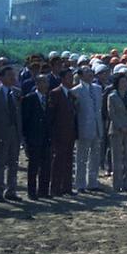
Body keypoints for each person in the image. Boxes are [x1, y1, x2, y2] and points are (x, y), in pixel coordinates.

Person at [0, 66, 22, 202]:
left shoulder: (17, 93)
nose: (13, 78)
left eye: (13, 75)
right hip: (0, 133)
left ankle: (11, 191)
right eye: (9, 75)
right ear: (1, 78)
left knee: (13, 163)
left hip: (15, 132)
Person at [72, 66, 104, 193]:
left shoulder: (98, 89)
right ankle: (80, 184)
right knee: (81, 157)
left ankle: (93, 182)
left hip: (97, 127)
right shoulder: (75, 91)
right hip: (83, 128)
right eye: (87, 72)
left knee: (95, 156)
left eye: (91, 72)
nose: (90, 74)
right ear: (80, 76)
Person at [21, 74, 52, 199]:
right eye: (43, 82)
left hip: (46, 137)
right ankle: (32, 191)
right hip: (33, 137)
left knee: (46, 165)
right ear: (37, 84)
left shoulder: (48, 98)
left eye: (47, 82)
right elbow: (25, 120)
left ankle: (43, 191)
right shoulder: (30, 98)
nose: (46, 85)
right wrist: (26, 139)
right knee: (33, 166)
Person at [48, 68, 77, 196]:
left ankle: (67, 187)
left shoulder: (71, 95)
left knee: (68, 161)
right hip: (59, 134)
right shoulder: (55, 93)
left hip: (69, 133)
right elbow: (51, 116)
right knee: (58, 161)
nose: (71, 80)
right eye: (69, 77)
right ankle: (55, 188)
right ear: (63, 79)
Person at [107, 73, 127, 192]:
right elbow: (112, 113)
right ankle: (117, 184)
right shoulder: (112, 96)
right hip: (116, 130)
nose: (124, 84)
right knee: (117, 158)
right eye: (122, 81)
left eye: (126, 81)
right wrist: (121, 127)